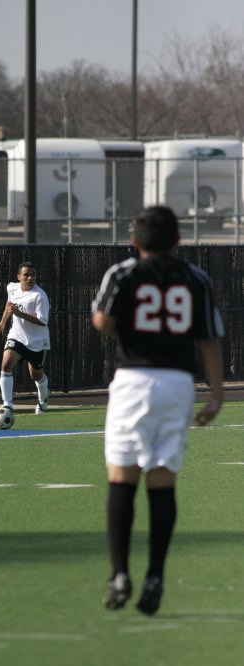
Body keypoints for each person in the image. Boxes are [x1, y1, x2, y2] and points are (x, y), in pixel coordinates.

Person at [91, 205, 224, 616]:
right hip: (178, 384)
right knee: (162, 480)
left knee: (121, 477)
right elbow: (209, 338)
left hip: (133, 380)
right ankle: (155, 576)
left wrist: (119, 322)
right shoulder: (195, 278)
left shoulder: (123, 273)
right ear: (177, 242)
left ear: (135, 241)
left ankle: (119, 574)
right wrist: (216, 393)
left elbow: (101, 320)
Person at [0, 261, 50, 415]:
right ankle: (7, 405)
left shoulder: (40, 296)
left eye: (33, 275)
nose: (30, 278)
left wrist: (20, 314)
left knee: (35, 374)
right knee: (6, 364)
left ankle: (43, 398)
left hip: (36, 341)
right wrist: (3, 322)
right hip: (17, 336)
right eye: (26, 274)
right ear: (19, 277)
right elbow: (10, 303)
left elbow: (42, 321)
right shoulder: (12, 287)